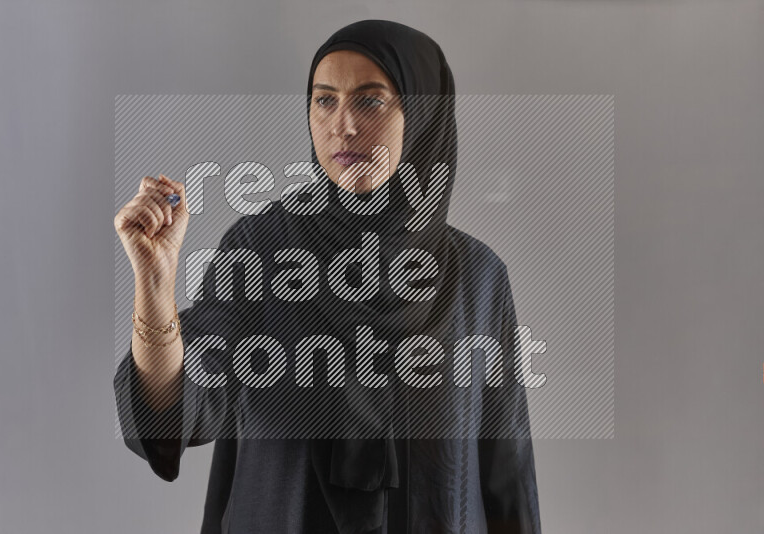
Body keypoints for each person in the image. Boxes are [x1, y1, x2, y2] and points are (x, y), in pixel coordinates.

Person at [113, 19, 541, 534]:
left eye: (370, 100)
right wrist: (154, 283)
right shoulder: (261, 250)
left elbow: (506, 478)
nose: (343, 125)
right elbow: (180, 405)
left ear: (423, 113)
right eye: (324, 100)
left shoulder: (477, 277)